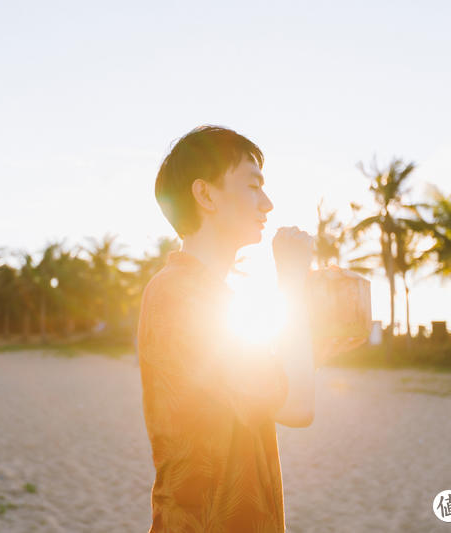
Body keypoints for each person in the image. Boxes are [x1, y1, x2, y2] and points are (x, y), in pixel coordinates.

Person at [137, 125, 361, 532]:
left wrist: (312, 353)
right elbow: (296, 408)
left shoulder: (210, 296)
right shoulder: (180, 294)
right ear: (205, 195)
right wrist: (291, 278)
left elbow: (264, 392)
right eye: (253, 186)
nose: (268, 204)